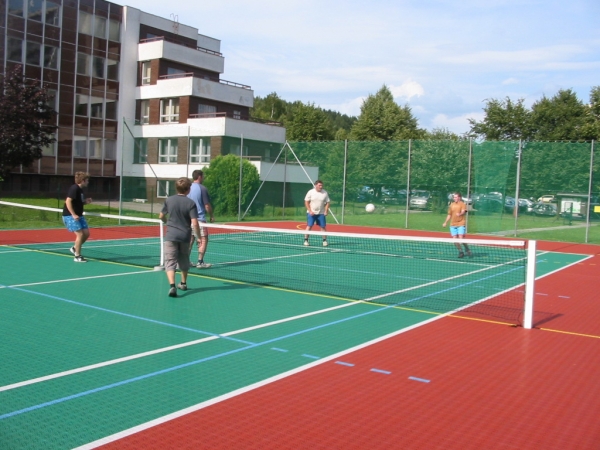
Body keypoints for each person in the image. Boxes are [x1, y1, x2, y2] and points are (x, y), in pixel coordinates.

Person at [159, 177, 201, 297]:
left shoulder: (169, 200)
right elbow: (195, 223)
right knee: (184, 260)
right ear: (188, 189)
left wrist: (167, 222)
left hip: (171, 236)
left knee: (170, 261)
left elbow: (161, 216)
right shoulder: (191, 203)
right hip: (185, 237)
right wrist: (198, 237)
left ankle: (172, 286)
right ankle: (183, 283)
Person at [62, 172, 92, 263]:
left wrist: (85, 202)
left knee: (86, 233)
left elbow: (77, 202)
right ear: (82, 181)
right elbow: (68, 201)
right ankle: (77, 256)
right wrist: (73, 214)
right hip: (70, 215)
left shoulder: (80, 190)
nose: (88, 182)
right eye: (87, 180)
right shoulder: (74, 188)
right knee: (80, 234)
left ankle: (75, 248)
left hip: (79, 215)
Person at [187, 169, 214, 268]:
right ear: (199, 177)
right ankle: (200, 262)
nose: (204, 178)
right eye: (203, 176)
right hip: (199, 220)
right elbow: (207, 205)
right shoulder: (202, 189)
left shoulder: (187, 188)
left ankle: (186, 261)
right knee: (203, 239)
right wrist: (211, 215)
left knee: (190, 240)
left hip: (188, 219)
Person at [443, 192, 472, 258]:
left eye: (456, 197)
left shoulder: (462, 204)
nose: (454, 198)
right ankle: (460, 251)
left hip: (461, 223)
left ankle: (467, 249)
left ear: (459, 197)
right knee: (455, 240)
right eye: (454, 197)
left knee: (461, 238)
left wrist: (460, 214)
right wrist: (445, 222)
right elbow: (449, 214)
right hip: (453, 225)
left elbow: (463, 211)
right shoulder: (452, 205)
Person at [304, 179, 331, 247]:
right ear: (315, 185)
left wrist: (326, 210)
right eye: (319, 185)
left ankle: (324, 241)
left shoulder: (325, 193)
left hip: (321, 213)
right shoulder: (310, 192)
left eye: (321, 185)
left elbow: (328, 202)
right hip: (311, 213)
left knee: (323, 227)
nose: (321, 187)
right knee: (309, 226)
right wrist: (310, 211)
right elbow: (306, 202)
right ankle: (306, 240)